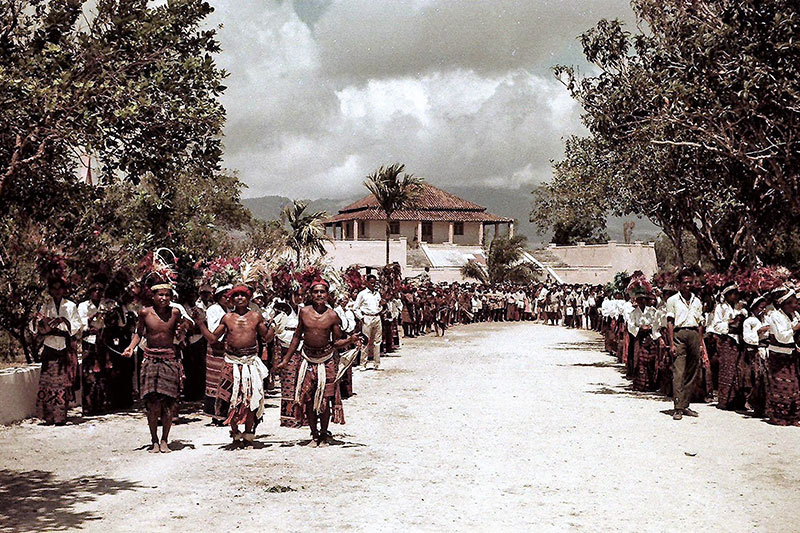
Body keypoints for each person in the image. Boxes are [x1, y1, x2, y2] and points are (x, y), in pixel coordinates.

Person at [277, 279, 360, 447]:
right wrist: (286, 360)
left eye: (322, 292)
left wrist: (350, 339)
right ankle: (314, 434)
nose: (319, 295)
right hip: (307, 359)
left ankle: (323, 433)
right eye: (316, 292)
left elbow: (336, 342)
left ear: (327, 295)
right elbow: (296, 337)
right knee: (308, 398)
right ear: (311, 295)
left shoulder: (332, 316)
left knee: (325, 398)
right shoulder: (304, 312)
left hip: (326, 360)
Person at [122, 280, 192, 453]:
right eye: (160, 295)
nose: (163, 298)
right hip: (151, 358)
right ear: (153, 297)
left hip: (169, 358)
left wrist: (183, 330)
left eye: (167, 295)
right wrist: (130, 347)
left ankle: (165, 440)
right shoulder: (145, 313)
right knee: (152, 404)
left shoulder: (175, 312)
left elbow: (185, 327)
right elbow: (139, 333)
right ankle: (154, 440)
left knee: (169, 404)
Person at [198, 285, 273, 445]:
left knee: (250, 399)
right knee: (231, 399)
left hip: (250, 363)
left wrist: (275, 325)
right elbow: (213, 339)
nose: (240, 298)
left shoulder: (255, 317)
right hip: (232, 362)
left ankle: (247, 433)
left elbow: (266, 337)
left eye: (243, 295)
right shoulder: (227, 318)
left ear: (248, 298)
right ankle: (235, 433)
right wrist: (200, 324)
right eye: (236, 295)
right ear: (231, 299)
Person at [32, 277, 82, 425]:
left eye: (59, 288)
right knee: (47, 383)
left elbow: (76, 326)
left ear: (63, 290)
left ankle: (60, 417)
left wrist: (63, 321)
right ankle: (48, 416)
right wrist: (39, 321)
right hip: (50, 347)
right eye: (54, 288)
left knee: (62, 383)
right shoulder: (45, 305)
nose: (57, 291)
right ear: (51, 290)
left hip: (64, 347)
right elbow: (35, 328)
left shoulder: (71, 306)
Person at [665, 269, 705, 420]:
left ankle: (685, 404)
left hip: (694, 335)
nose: (688, 285)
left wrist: (700, 344)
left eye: (690, 282)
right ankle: (677, 408)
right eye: (685, 282)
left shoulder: (697, 301)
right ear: (679, 284)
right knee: (679, 372)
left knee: (691, 371)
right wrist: (671, 343)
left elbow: (701, 323)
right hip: (679, 335)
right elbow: (670, 322)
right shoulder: (672, 301)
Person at [708, 283, 748, 410]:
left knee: (739, 370)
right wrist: (731, 322)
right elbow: (717, 325)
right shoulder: (720, 308)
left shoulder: (739, 307)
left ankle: (738, 401)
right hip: (728, 340)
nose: (735, 296)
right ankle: (725, 400)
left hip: (739, 341)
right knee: (727, 369)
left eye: (736, 293)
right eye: (733, 294)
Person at [764, 288, 800, 426]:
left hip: (791, 355)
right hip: (779, 355)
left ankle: (793, 417)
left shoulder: (794, 315)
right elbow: (782, 336)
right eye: (791, 303)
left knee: (794, 386)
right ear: (783, 304)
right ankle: (779, 417)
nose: (794, 306)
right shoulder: (775, 316)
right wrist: (795, 328)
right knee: (781, 386)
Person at [78, 282, 113, 416]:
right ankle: (88, 406)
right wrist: (92, 318)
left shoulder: (106, 305)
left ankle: (101, 404)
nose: (97, 293)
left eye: (100, 290)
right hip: (89, 342)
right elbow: (80, 324)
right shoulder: (83, 306)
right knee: (89, 374)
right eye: (94, 290)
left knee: (103, 374)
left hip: (103, 341)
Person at [203, 285, 230, 421]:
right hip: (216, 349)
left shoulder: (230, 309)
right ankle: (216, 414)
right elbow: (214, 332)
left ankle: (226, 411)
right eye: (225, 295)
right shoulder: (213, 309)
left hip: (228, 349)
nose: (228, 298)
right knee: (215, 379)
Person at [353, 274, 383, 370]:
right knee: (365, 341)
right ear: (367, 283)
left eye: (374, 283)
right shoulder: (362, 294)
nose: (373, 284)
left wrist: (381, 308)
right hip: (367, 318)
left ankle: (376, 363)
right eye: (371, 282)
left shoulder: (377, 294)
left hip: (377, 317)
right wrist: (361, 318)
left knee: (377, 341)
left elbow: (379, 305)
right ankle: (363, 364)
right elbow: (355, 308)